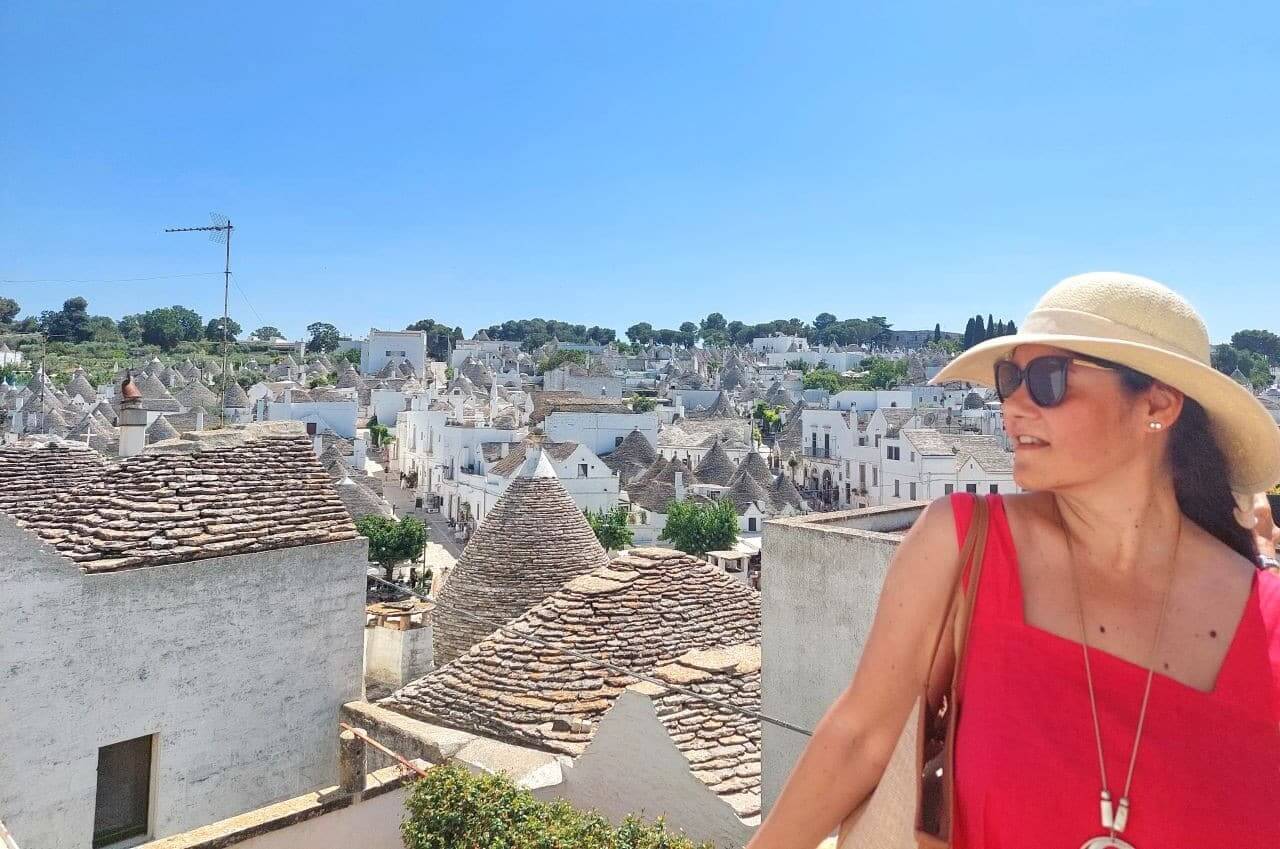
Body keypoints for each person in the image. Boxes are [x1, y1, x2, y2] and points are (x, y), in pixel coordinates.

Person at [748, 272, 1280, 848]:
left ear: (1157, 403)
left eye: (1048, 380)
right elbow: (859, 738)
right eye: (1009, 380)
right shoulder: (964, 545)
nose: (1011, 406)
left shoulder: (1268, 621)